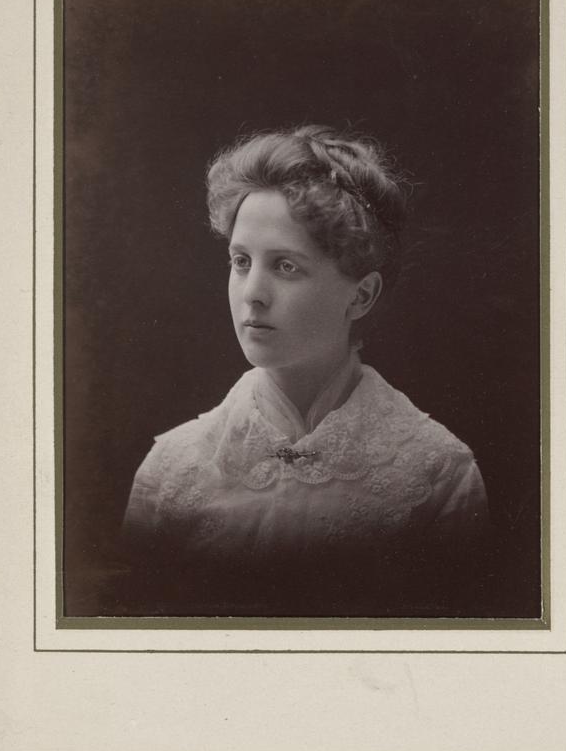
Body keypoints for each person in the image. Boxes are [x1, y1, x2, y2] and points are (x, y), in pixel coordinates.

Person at [122, 124, 487, 616]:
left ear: (361, 295)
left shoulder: (438, 475)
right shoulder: (171, 470)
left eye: (286, 266)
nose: (252, 293)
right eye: (241, 261)